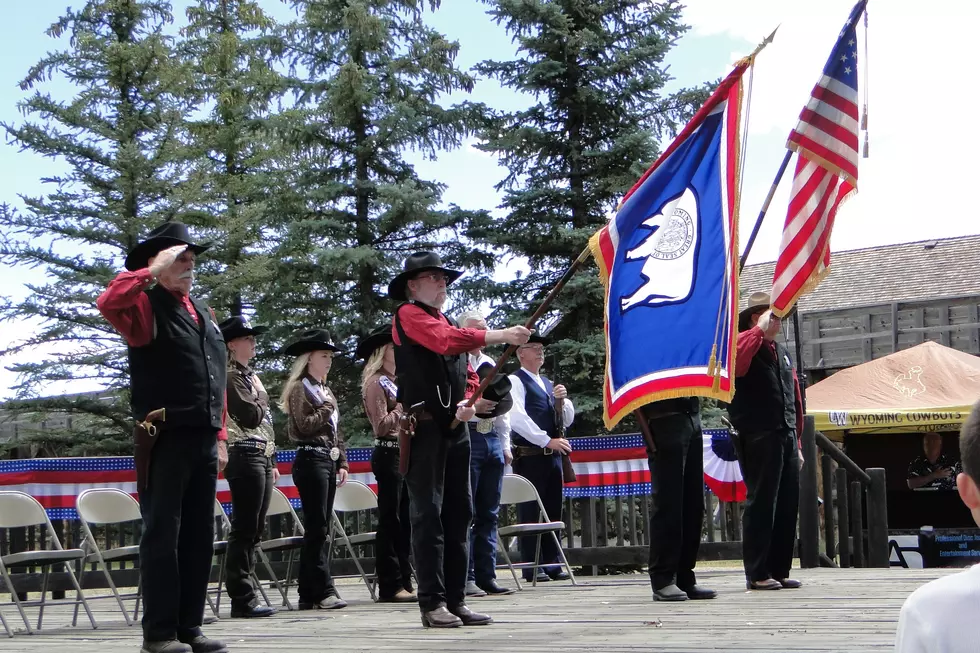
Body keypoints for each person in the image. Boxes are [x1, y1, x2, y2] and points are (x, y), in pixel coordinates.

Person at [96, 221, 229, 653]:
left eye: (191, 258)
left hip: (205, 436)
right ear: (157, 264)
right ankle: (159, 633)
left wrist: (222, 434)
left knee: (198, 535)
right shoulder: (145, 304)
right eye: (180, 258)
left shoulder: (203, 312)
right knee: (163, 534)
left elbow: (217, 376)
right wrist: (152, 270)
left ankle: (190, 627)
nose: (189, 265)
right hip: (164, 435)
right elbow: (108, 300)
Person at [388, 251, 530, 628]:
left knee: (459, 513)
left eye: (443, 278)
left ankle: (456, 599)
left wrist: (473, 401)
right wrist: (501, 335)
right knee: (428, 515)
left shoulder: (445, 319)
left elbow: (464, 371)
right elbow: (446, 342)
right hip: (425, 429)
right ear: (413, 285)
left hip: (454, 428)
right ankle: (432, 602)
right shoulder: (409, 315)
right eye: (433, 278)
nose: (442, 283)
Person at [729, 291, 804, 591]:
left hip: (783, 434)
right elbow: (736, 364)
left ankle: (778, 568)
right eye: (771, 315)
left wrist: (796, 441)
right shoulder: (743, 342)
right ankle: (757, 572)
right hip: (758, 433)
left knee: (787, 502)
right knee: (761, 502)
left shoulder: (781, 352)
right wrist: (758, 331)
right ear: (754, 318)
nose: (778, 321)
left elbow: (793, 396)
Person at [894, 399, 980, 652]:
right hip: (920, 511)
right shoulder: (924, 612)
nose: (931, 445)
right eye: (927, 441)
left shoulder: (928, 610)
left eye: (935, 441)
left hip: (950, 510)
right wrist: (932, 476)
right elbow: (911, 484)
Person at [280, 329, 349, 610]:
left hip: (327, 459)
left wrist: (342, 460)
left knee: (320, 527)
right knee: (317, 526)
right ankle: (323, 589)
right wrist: (325, 407)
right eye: (324, 355)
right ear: (309, 358)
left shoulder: (324, 389)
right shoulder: (301, 389)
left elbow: (336, 430)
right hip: (310, 459)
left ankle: (308, 591)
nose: (329, 360)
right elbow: (304, 426)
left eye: (330, 356)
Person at [219, 315, 279, 619]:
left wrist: (273, 455)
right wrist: (261, 398)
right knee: (245, 527)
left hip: (261, 454)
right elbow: (250, 416)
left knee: (255, 528)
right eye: (247, 338)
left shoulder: (249, 377)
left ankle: (247, 592)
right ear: (232, 344)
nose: (253, 342)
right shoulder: (231, 377)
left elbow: (264, 422)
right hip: (244, 453)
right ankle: (241, 596)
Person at [457, 310, 516, 598]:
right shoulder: (456, 362)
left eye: (484, 328)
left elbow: (505, 409)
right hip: (468, 436)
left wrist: (505, 444)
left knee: (489, 512)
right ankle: (465, 576)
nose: (481, 334)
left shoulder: (491, 363)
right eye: (475, 329)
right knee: (466, 511)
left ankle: (487, 575)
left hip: (491, 435)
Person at [357, 324, 417, 603]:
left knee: (405, 520)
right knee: (391, 520)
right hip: (388, 451)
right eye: (394, 346)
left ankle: (405, 577)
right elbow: (381, 426)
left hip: (405, 452)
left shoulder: (399, 379)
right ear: (383, 351)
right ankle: (390, 583)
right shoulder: (375, 382)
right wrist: (402, 407)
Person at [508, 334, 574, 583]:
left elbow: (566, 420)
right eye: (533, 348)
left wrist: (562, 401)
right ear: (520, 353)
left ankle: (552, 563)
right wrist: (546, 440)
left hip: (552, 456)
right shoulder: (516, 380)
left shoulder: (547, 383)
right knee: (530, 510)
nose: (539, 352)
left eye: (541, 348)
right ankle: (531, 566)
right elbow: (517, 418)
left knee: (552, 510)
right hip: (531, 455)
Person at [638, 397, 717, 601]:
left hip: (691, 417)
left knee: (693, 504)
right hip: (664, 418)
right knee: (669, 502)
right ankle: (663, 579)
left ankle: (684, 576)